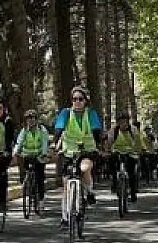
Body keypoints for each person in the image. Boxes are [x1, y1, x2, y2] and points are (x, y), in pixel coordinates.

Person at [52, 85, 105, 226]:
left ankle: (89, 192)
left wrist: (99, 146)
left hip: (87, 150)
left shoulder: (91, 113)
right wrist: (54, 143)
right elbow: (59, 128)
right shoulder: (66, 113)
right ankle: (64, 217)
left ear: (85, 101)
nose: (77, 102)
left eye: (80, 99)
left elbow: (96, 131)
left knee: (84, 168)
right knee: (66, 184)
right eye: (74, 99)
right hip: (69, 151)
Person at [14, 109, 49, 201]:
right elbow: (19, 142)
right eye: (28, 118)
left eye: (33, 118)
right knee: (27, 174)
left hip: (39, 156)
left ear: (36, 120)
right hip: (27, 156)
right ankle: (29, 190)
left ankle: (41, 199)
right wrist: (16, 152)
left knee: (40, 177)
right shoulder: (24, 130)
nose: (31, 120)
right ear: (26, 120)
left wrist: (44, 154)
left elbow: (45, 143)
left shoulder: (42, 130)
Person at [108, 111, 140, 202]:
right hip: (117, 151)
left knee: (131, 173)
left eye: (124, 121)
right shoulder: (114, 130)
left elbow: (137, 142)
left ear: (128, 121)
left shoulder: (133, 130)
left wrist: (137, 151)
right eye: (120, 122)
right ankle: (114, 182)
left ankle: (133, 193)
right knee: (111, 162)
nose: (122, 124)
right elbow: (109, 142)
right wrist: (107, 151)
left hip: (130, 152)